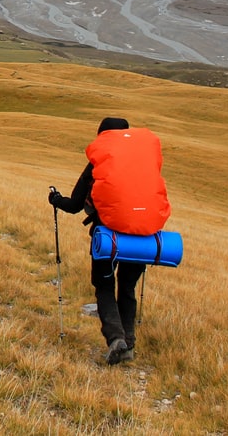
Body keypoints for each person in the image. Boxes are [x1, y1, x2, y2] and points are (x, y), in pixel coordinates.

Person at [48, 116, 171, 366]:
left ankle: (116, 339)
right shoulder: (143, 161)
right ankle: (129, 342)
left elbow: (73, 205)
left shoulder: (99, 163)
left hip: (108, 237)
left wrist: (55, 199)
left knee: (104, 286)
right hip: (142, 237)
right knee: (127, 288)